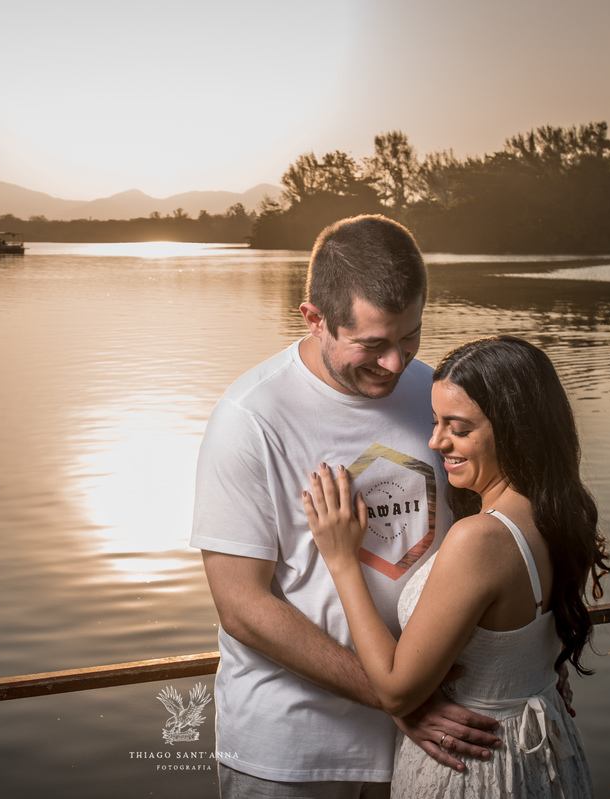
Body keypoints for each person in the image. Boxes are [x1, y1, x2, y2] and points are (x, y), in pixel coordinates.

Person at [191, 215, 502, 798]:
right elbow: (241, 605)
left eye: (409, 336)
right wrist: (394, 696)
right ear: (314, 318)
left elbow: (492, 536)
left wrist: (537, 661)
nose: (395, 363)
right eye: (372, 344)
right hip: (292, 755)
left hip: (429, 746)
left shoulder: (438, 394)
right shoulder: (250, 420)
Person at [303, 335, 610, 797]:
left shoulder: (480, 539)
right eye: (434, 422)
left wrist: (342, 560)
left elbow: (395, 691)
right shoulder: (560, 512)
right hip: (546, 752)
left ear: (514, 429)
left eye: (458, 428)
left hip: (478, 765)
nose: (435, 441)